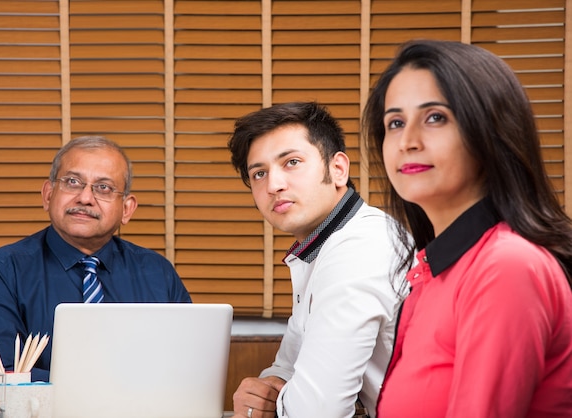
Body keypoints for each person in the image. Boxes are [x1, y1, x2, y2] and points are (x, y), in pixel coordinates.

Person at [362, 39, 572, 417]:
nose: (407, 142)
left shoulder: (506, 267)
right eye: (395, 122)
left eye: (435, 117)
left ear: (488, 130)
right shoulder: (431, 271)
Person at [227, 102, 409, 418]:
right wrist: (266, 390)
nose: (273, 185)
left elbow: (318, 410)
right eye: (259, 173)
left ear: (338, 169)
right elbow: (289, 365)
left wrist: (280, 402)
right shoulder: (320, 245)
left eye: (292, 162)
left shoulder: (360, 245)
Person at [0, 135, 192, 381]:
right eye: (73, 182)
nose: (85, 198)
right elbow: (0, 375)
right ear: (48, 195)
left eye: (103, 187)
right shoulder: (2, 271)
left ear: (126, 209)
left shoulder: (158, 273)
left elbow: (186, 367)